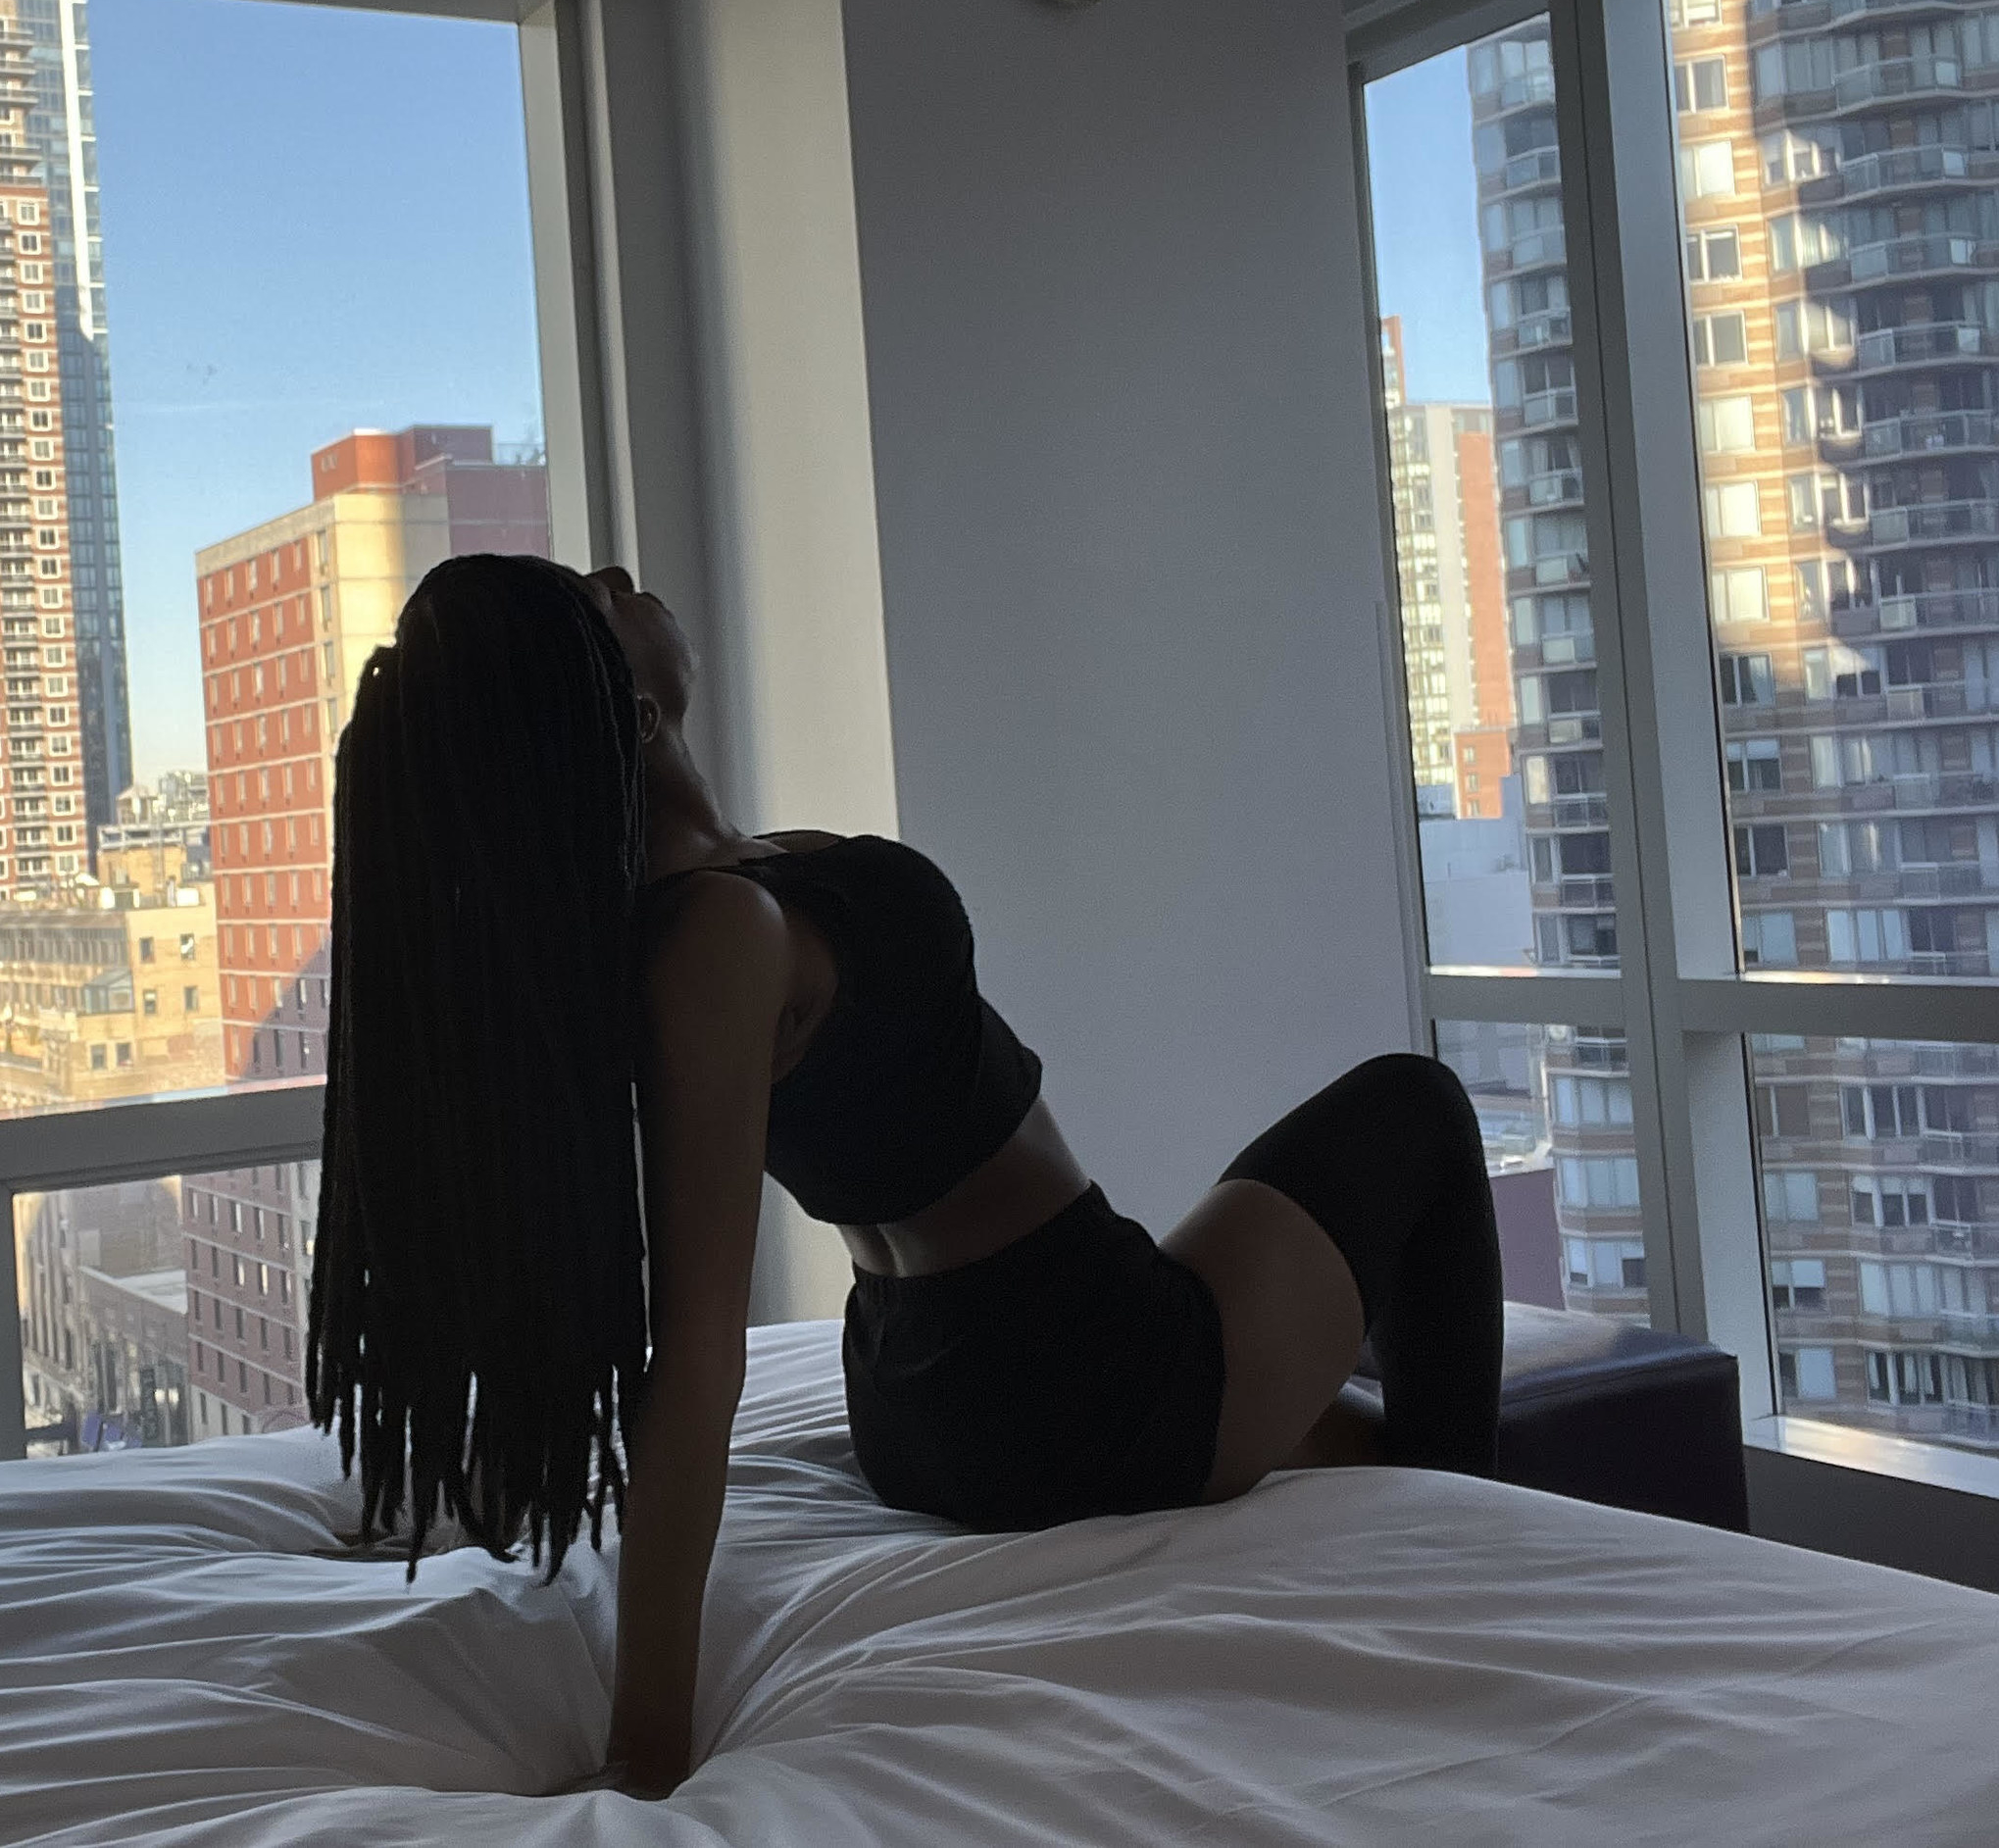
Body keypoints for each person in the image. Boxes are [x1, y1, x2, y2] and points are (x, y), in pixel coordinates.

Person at [305, 553, 1503, 1799]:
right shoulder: (713, 941)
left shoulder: (711, 907)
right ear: (635, 713)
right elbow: (698, 1346)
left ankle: (1453, 1500)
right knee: (1413, 1108)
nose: (620, 571)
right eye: (597, 598)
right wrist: (644, 1742)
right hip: (1080, 1365)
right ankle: (1486, 1538)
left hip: (924, 1393)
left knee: (1370, 1441)